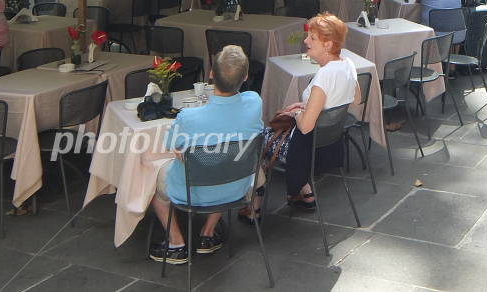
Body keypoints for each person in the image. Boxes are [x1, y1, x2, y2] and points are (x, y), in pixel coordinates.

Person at [149, 45, 263, 264]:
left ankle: (176, 243)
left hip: (192, 193)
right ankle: (207, 234)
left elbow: (170, 144)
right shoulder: (255, 103)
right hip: (237, 187)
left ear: (211, 74)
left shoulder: (189, 117)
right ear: (246, 76)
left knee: (150, 178)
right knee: (226, 162)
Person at [260, 14, 359, 213]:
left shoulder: (325, 75)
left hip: (308, 148)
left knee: (257, 138)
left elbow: (305, 127)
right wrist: (308, 105)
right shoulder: (348, 64)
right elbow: (355, 100)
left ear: (328, 45)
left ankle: (253, 206)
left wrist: (297, 113)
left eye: (312, 38)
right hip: (331, 144)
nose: (305, 41)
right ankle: (304, 192)